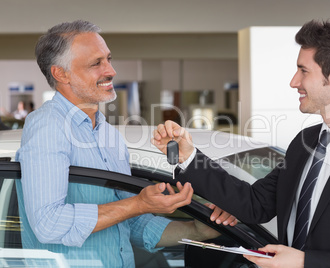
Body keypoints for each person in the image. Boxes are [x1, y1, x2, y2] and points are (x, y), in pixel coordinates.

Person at [152, 20, 330, 267]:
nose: (294, 81)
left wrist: (305, 262)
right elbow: (254, 204)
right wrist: (190, 155)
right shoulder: (305, 142)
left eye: (303, 71)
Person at [16, 20, 236, 267]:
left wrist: (197, 231)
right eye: (96, 63)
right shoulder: (47, 126)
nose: (110, 71)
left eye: (108, 59)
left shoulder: (108, 135)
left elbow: (129, 223)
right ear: (61, 73)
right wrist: (138, 203)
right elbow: (49, 223)